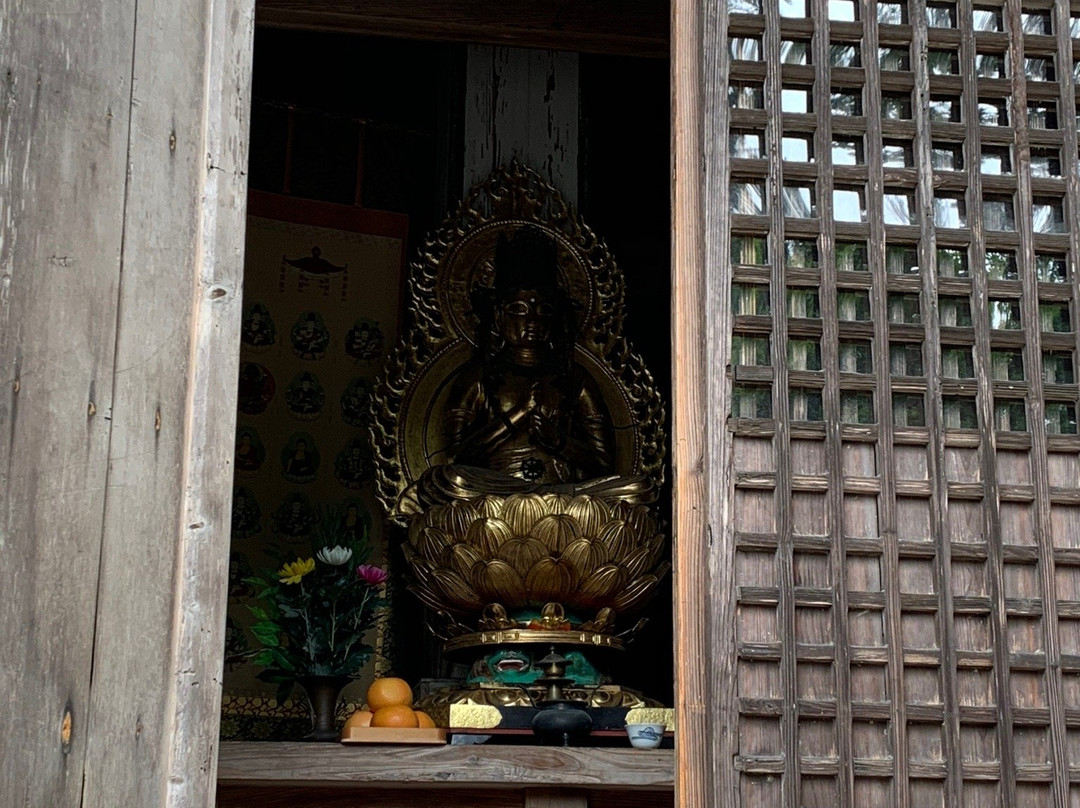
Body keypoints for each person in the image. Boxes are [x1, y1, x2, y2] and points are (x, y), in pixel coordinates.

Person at [403, 227, 649, 513]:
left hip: (563, 493)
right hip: (494, 492)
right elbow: (454, 457)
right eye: (519, 310)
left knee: (637, 489)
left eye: (543, 310)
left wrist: (557, 441)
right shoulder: (479, 376)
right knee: (450, 480)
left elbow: (604, 464)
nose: (532, 320)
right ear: (498, 316)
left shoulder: (574, 377)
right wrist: (518, 414)